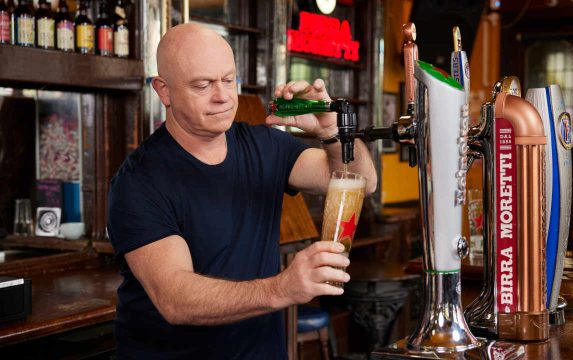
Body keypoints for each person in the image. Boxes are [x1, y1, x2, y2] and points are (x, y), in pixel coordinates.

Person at [107, 23, 377, 359]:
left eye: (228, 79)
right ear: (164, 91)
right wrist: (284, 287)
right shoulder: (140, 181)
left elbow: (361, 182)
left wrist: (331, 130)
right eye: (202, 85)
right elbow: (175, 298)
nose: (222, 95)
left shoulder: (264, 145)